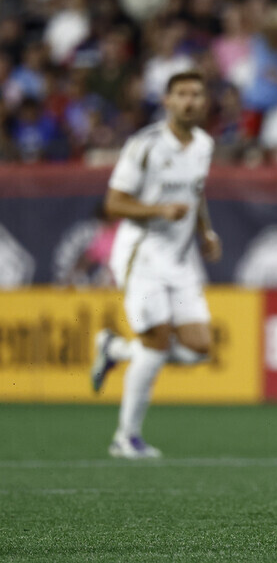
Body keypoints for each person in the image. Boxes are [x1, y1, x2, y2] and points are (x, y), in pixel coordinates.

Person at [88, 71, 222, 459]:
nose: (189, 101)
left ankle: (115, 350)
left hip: (180, 259)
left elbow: (196, 194)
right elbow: (114, 203)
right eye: (181, 94)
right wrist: (158, 209)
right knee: (157, 341)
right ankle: (125, 437)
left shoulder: (204, 144)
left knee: (199, 348)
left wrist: (206, 233)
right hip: (142, 253)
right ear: (167, 101)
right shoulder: (144, 145)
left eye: (196, 94)